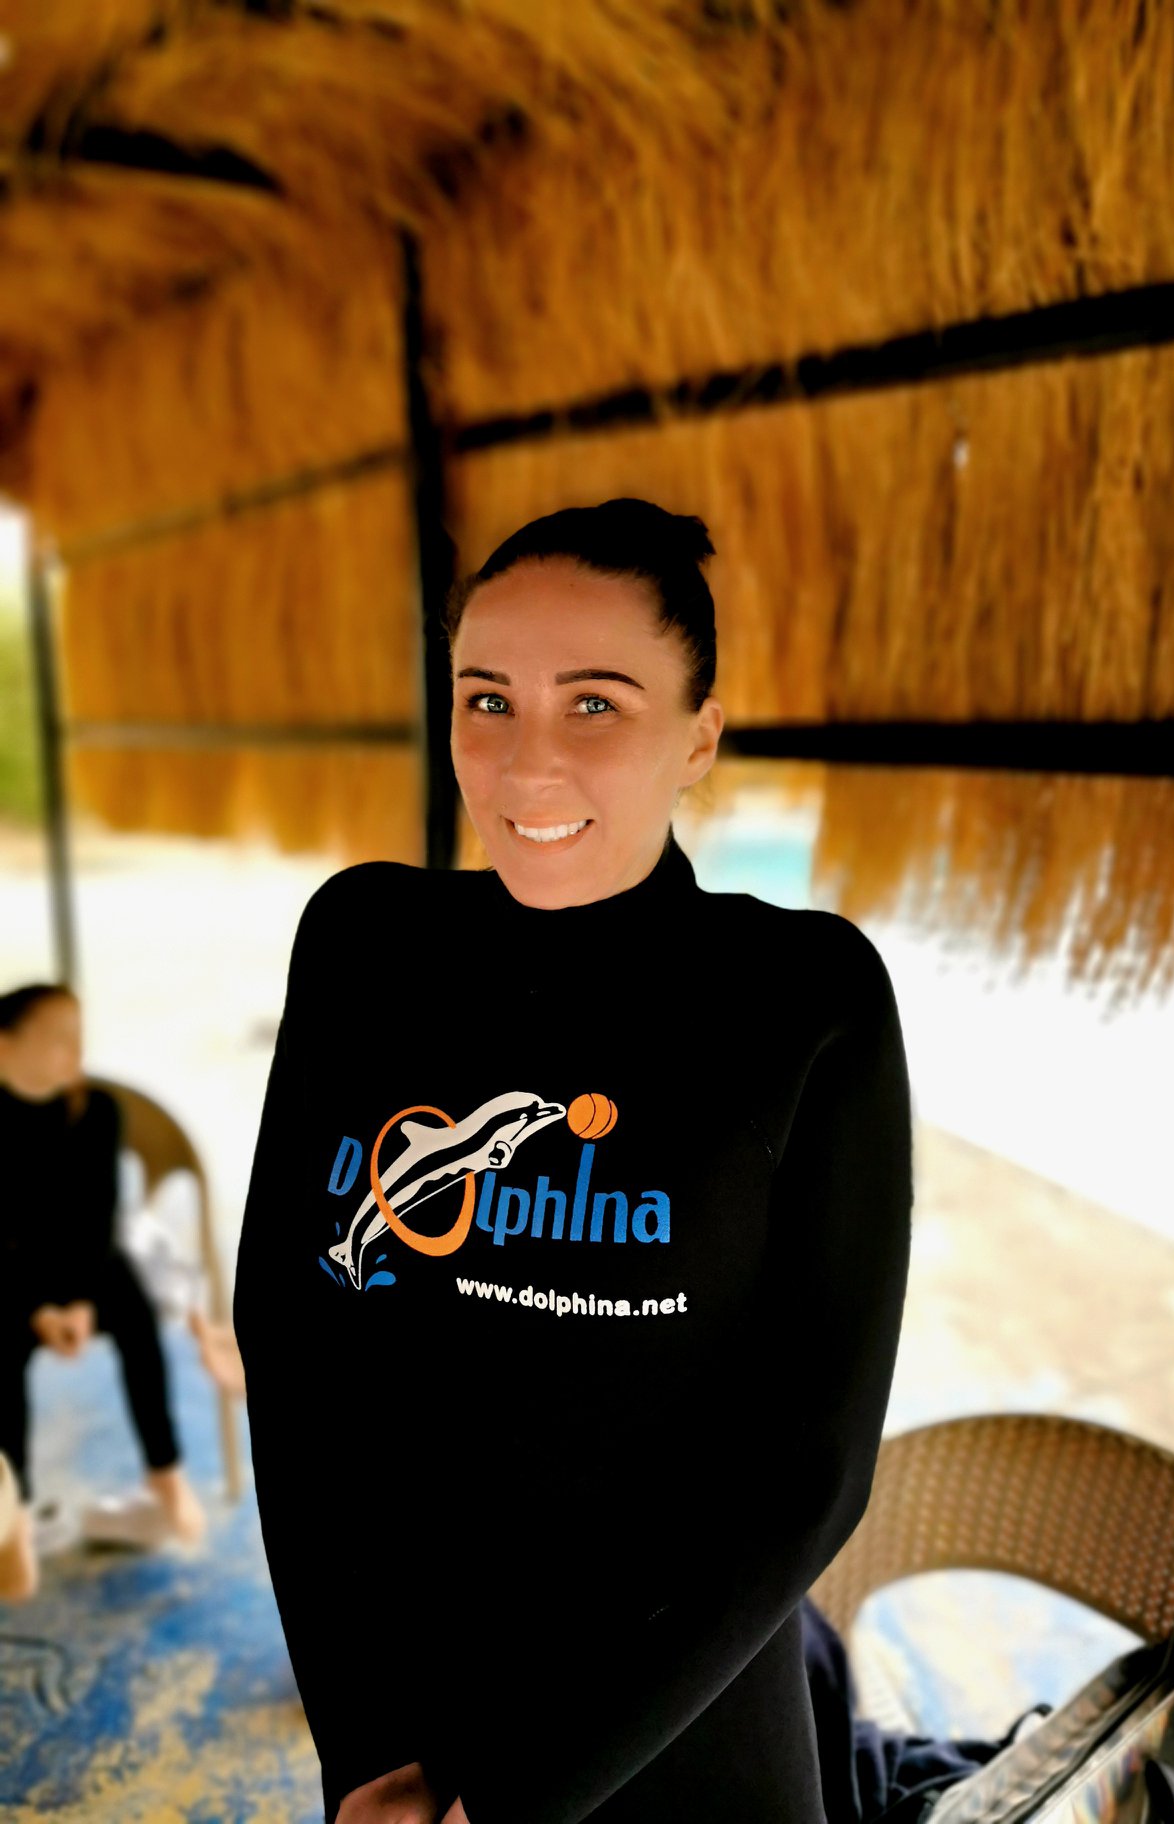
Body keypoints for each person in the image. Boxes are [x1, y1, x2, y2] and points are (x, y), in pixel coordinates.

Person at [232, 496, 996, 1824]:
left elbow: (810, 1468)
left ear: (699, 736)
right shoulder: (363, 943)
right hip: (405, 1705)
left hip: (675, 1719)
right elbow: (291, 1344)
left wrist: (520, 1798)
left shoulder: (803, 1001)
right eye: (487, 700)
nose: (527, 763)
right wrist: (361, 1740)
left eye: (595, 704)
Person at [0, 982, 207, 1600]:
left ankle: (166, 1475)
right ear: (4, 1045)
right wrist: (38, 1311)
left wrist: (84, 1303)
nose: (75, 1052)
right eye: (56, 1040)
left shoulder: (98, 1111)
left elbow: (99, 1216)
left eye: (79, 1038)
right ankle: (19, 1513)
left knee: (134, 1308)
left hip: (87, 1263)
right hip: (13, 1273)